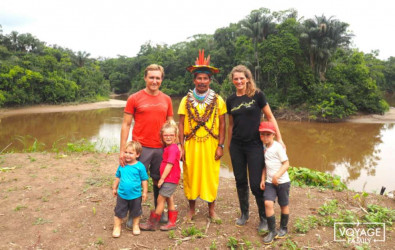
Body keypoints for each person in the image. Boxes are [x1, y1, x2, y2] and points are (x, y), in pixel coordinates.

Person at [226, 65, 285, 232]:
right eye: (235, 79)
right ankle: (244, 213)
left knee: (255, 183)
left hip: (254, 145)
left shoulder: (257, 96)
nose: (239, 81)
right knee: (240, 181)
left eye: (241, 78)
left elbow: (270, 116)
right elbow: (231, 125)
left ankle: (264, 217)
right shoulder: (230, 100)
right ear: (233, 80)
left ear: (247, 79)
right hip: (237, 145)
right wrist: (229, 144)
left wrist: (279, 139)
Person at [120, 64, 173, 226]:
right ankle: (133, 214)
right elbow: (126, 125)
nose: (154, 81)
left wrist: (175, 148)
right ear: (145, 78)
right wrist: (123, 150)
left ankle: (159, 212)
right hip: (139, 149)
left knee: (159, 181)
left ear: (161, 79)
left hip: (160, 148)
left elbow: (171, 124)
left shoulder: (167, 99)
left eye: (158, 78)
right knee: (135, 181)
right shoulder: (134, 98)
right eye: (151, 77)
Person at [178, 49, 226, 220]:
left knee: (210, 176)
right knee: (190, 175)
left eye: (205, 78)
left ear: (210, 80)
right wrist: (180, 147)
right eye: (199, 78)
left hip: (211, 144)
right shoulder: (186, 100)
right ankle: (191, 210)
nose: (202, 81)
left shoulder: (218, 100)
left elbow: (222, 125)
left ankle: (211, 210)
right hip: (191, 144)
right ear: (194, 80)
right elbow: (181, 124)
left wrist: (221, 146)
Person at [140, 121, 181, 231]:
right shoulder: (168, 147)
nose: (168, 137)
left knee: (160, 199)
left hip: (170, 179)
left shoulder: (172, 148)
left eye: (171, 135)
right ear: (162, 136)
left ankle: (152, 224)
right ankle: (171, 222)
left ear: (176, 136)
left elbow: (170, 164)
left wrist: (162, 179)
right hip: (170, 178)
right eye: (165, 135)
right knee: (169, 199)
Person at [259, 121, 290, 244]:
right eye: (263, 134)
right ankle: (272, 231)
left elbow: (286, 163)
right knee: (267, 203)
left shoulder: (278, 147)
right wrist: (263, 179)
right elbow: (265, 166)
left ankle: (283, 227)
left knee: (284, 205)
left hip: (282, 182)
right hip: (270, 183)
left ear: (273, 135)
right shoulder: (264, 148)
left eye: (268, 134)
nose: (265, 137)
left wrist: (277, 175)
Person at [112, 141, 148, 238]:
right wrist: (114, 187)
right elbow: (118, 177)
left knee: (136, 212)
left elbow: (144, 180)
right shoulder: (122, 164)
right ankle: (117, 227)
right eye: (126, 152)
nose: (127, 155)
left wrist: (144, 192)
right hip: (122, 195)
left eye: (131, 153)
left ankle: (135, 226)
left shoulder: (140, 166)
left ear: (137, 154)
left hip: (136, 195)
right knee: (119, 212)